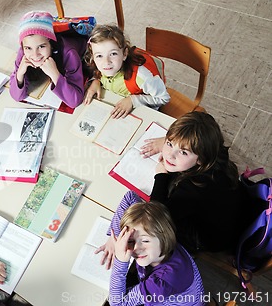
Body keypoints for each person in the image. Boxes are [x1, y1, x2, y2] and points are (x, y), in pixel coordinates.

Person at [97, 112, 256, 268]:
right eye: (170, 143)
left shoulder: (193, 189)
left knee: (159, 236)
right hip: (239, 210)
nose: (170, 155)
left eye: (183, 152)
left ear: (201, 158)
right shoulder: (216, 153)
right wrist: (170, 143)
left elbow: (155, 215)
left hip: (215, 238)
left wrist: (161, 175)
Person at [107, 199, 205, 306]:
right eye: (130, 241)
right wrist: (115, 237)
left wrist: (120, 260)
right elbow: (129, 197)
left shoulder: (162, 281)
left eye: (145, 241)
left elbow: (117, 304)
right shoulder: (160, 245)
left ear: (163, 236)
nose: (136, 248)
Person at [84, 24, 170, 118]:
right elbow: (99, 74)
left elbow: (164, 98)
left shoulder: (142, 76)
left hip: (142, 109)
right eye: (99, 56)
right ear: (93, 56)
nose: (106, 62)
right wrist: (96, 81)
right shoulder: (100, 65)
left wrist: (133, 100)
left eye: (113, 54)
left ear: (124, 54)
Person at [9, 11, 85, 109]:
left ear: (51, 43)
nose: (35, 55)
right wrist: (19, 74)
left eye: (41, 46)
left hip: (84, 55)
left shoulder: (69, 53)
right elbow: (16, 96)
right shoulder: (24, 53)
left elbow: (75, 101)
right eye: (28, 48)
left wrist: (55, 75)